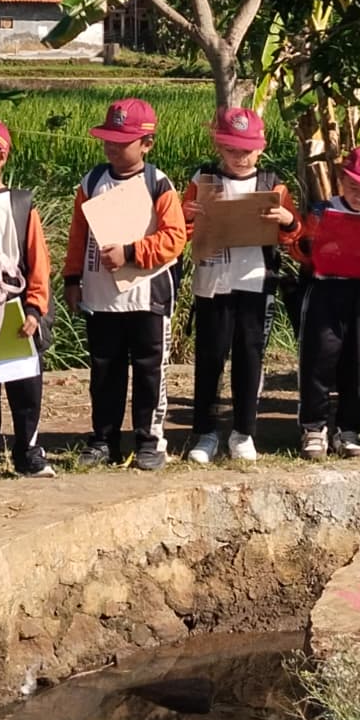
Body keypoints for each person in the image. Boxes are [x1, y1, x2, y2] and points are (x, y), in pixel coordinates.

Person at [64, 102, 177, 472]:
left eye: (122, 141)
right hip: (102, 296)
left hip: (147, 296)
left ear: (147, 143)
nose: (112, 147)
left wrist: (131, 252)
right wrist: (72, 279)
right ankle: (103, 438)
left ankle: (149, 439)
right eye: (108, 139)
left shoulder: (157, 183)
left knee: (149, 370)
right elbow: (77, 236)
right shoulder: (92, 182)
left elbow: (174, 238)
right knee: (104, 370)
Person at [180, 108, 286, 465]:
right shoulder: (204, 178)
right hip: (212, 282)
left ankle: (244, 430)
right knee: (210, 358)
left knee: (249, 357)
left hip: (255, 282)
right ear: (218, 146)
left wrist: (285, 220)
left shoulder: (271, 183)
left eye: (246, 150)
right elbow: (180, 224)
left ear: (261, 148)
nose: (239, 158)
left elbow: (294, 232)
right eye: (231, 150)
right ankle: (205, 431)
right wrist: (189, 216)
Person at [287, 146, 360, 459]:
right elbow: (300, 252)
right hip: (326, 290)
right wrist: (312, 245)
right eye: (354, 187)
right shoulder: (322, 210)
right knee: (318, 358)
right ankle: (314, 427)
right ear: (342, 180)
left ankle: (349, 428)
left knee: (359, 363)